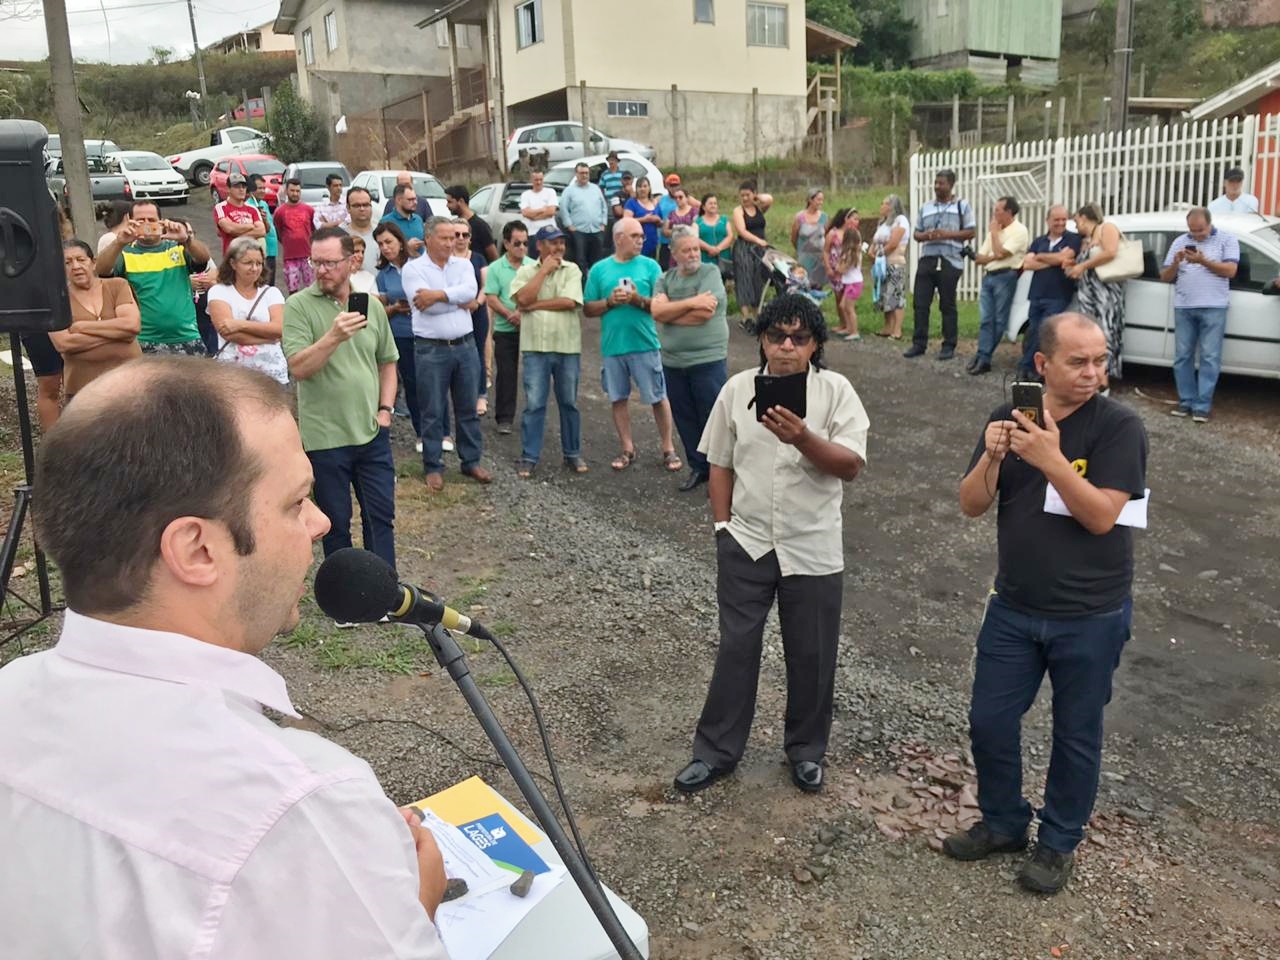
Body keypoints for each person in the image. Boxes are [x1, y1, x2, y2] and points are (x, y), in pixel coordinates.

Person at [3, 359, 449, 957]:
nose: (321, 523)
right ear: (197, 548)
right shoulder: (299, 804)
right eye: (296, 502)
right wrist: (409, 912)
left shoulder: (10, 694)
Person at [951, 312, 1147, 895]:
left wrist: (1049, 458)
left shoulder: (1119, 427)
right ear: (1041, 365)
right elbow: (970, 505)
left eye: (1100, 360)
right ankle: (1005, 822)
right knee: (989, 720)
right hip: (1013, 605)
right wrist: (992, 457)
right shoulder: (1007, 418)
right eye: (1078, 361)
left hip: (1090, 614)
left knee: (1076, 732)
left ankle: (1058, 842)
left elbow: (1100, 516)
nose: (1093, 373)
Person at [673, 293, 869, 796]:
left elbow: (849, 465)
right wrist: (722, 530)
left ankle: (806, 751)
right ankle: (716, 752)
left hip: (813, 546)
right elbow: (719, 462)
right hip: (748, 541)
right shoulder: (738, 389)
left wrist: (803, 437)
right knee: (737, 649)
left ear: (815, 345)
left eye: (799, 338)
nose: (786, 346)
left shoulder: (837, 392)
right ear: (761, 339)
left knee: (813, 653)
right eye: (776, 335)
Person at [282, 227, 399, 571]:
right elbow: (300, 367)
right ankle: (345, 601)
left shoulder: (371, 308)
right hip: (325, 437)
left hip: (371, 433)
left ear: (352, 261)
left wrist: (386, 411)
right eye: (315, 262)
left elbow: (387, 362)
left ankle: (383, 592)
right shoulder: (298, 306)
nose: (321, 271)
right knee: (335, 523)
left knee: (380, 517)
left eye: (330, 263)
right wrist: (333, 337)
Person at [584, 218, 680, 473]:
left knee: (658, 397)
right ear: (618, 238)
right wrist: (609, 302)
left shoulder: (650, 266)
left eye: (642, 236)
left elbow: (662, 305)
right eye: (635, 236)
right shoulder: (599, 270)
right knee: (618, 398)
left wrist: (638, 299)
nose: (641, 240)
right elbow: (587, 308)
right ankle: (627, 447)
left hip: (645, 343)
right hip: (613, 346)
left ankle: (668, 448)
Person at [402, 216, 490, 491]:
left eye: (454, 237)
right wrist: (456, 301)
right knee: (432, 409)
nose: (451, 243)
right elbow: (425, 306)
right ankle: (433, 464)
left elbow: (470, 293)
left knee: (467, 407)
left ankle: (471, 460)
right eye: (445, 238)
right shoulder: (413, 268)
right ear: (428, 238)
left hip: (464, 346)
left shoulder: (464, 265)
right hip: (431, 349)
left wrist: (438, 295)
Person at [651, 225, 729, 492]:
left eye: (696, 248)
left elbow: (705, 313)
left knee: (713, 418)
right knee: (685, 418)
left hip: (707, 359)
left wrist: (670, 313)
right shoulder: (665, 279)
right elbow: (656, 312)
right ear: (674, 253)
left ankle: (721, 474)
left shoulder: (710, 273)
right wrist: (689, 303)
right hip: (673, 362)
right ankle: (699, 468)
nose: (694, 254)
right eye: (687, 250)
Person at [509, 225, 587, 478]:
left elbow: (569, 302)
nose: (559, 248)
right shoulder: (526, 271)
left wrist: (536, 304)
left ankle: (572, 453)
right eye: (553, 243)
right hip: (535, 348)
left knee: (569, 403)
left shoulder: (572, 270)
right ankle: (529, 456)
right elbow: (521, 300)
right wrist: (542, 272)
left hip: (567, 347)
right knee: (534, 404)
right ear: (539, 245)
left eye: (561, 243)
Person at [97, 201, 211, 356]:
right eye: (140, 220)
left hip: (187, 337)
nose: (146, 224)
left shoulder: (178, 247)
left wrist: (186, 239)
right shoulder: (125, 253)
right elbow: (102, 271)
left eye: (151, 220)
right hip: (145, 340)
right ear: (130, 222)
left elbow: (203, 258)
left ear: (161, 221)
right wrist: (119, 241)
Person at [1159, 207, 1239, 423]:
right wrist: (1176, 263)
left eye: (1200, 230)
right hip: (1184, 307)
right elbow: (1165, 277)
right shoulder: (1179, 241)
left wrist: (1203, 261)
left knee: (1210, 357)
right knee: (1182, 357)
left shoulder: (1227, 239)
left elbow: (1230, 271)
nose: (1196, 235)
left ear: (1210, 223)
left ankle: (1202, 406)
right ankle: (1186, 402)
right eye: (1192, 230)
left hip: (1214, 306)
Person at [49, 238, 141, 405]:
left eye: (81, 259)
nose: (76, 266)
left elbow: (132, 325)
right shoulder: (56, 300)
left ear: (93, 262)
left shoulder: (117, 286)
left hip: (130, 383)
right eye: (68, 262)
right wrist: (119, 334)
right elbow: (64, 343)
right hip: (82, 389)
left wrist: (83, 327)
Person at [904, 168, 975, 361]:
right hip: (928, 259)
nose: (937, 186)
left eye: (941, 183)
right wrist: (927, 235)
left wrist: (947, 234)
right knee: (920, 303)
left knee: (947, 304)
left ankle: (949, 345)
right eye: (935, 183)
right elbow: (916, 233)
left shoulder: (962, 206)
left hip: (950, 260)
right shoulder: (926, 207)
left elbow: (970, 232)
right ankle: (919, 343)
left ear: (951, 185)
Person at [207, 236, 288, 385]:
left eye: (259, 263)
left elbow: (280, 328)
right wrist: (269, 338)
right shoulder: (218, 292)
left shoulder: (272, 293)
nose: (255, 268)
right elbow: (228, 333)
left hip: (273, 373)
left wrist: (239, 325)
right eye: (248, 263)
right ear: (233, 263)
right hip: (235, 375)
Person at [1019, 206, 1083, 379]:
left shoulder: (1073, 239)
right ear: (1048, 220)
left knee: (1045, 331)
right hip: (1037, 293)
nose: (1061, 223)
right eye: (1057, 219)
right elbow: (1027, 264)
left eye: (1064, 219)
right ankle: (1031, 368)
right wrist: (1055, 258)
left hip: (1058, 294)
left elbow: (1065, 258)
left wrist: (1040, 256)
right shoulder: (1039, 240)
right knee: (1033, 331)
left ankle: (1028, 369)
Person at [970, 196, 1031, 375]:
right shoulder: (994, 231)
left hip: (1006, 276)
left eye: (998, 210)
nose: (994, 213)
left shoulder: (1019, 231)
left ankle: (984, 357)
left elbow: (1000, 252)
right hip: (989, 275)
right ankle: (982, 355)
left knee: (998, 320)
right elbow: (979, 258)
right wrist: (994, 255)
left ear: (1009, 212)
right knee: (985, 319)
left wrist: (995, 236)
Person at [374, 221, 422, 448]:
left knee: (432, 384)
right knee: (411, 383)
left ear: (400, 242)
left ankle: (441, 432)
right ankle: (421, 432)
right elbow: (379, 310)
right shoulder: (383, 274)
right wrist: (393, 308)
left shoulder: (420, 264)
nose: (385, 247)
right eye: (380, 244)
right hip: (400, 333)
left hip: (425, 331)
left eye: (389, 242)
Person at [1068, 203, 1126, 386]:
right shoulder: (1087, 239)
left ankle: (1103, 381)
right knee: (1090, 336)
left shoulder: (1106, 228)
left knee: (1105, 335)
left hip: (1104, 295)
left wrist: (1082, 266)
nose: (1076, 225)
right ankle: (1094, 378)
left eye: (1076, 220)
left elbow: (1110, 251)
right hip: (1089, 296)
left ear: (1084, 217)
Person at [484, 220, 534, 437]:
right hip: (506, 328)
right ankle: (504, 417)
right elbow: (491, 297)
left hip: (531, 326)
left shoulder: (534, 266)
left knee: (534, 373)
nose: (522, 248)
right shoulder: (495, 268)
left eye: (525, 243)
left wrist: (523, 313)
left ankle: (533, 415)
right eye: (517, 243)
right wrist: (509, 314)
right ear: (505, 243)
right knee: (506, 373)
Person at [453, 219, 492, 418]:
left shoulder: (478, 259)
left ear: (470, 238)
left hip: (476, 311)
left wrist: (477, 303)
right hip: (453, 313)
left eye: (464, 235)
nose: (460, 238)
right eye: (456, 234)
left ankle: (481, 394)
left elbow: (486, 284)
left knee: (477, 352)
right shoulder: (446, 259)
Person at [731, 180, 774, 330]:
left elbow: (769, 199)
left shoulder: (759, 208)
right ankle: (745, 316)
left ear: (754, 194)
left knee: (758, 279)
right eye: (742, 195)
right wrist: (758, 241)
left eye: (747, 195)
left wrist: (757, 198)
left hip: (760, 249)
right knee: (744, 279)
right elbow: (742, 231)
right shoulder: (738, 211)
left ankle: (757, 314)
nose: (744, 198)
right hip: (744, 248)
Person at [870, 194, 910, 340]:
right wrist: (872, 251)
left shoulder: (901, 221)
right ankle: (887, 326)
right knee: (884, 294)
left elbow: (893, 243)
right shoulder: (883, 223)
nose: (882, 206)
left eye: (885, 203)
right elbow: (876, 240)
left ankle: (897, 329)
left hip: (894, 262)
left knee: (896, 295)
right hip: (881, 263)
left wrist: (880, 252)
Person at [560, 162, 608, 272]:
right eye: (581, 173)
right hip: (579, 231)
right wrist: (569, 225)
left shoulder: (595, 189)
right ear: (576, 174)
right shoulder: (569, 191)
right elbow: (563, 208)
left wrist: (603, 223)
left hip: (596, 230)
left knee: (597, 261)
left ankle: (594, 284)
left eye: (586, 173)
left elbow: (603, 206)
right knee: (580, 261)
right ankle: (582, 285)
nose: (584, 175)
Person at [274, 178, 317, 294]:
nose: (295, 193)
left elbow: (313, 229)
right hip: (290, 257)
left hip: (307, 255)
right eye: (292, 190)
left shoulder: (309, 210)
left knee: (312, 287)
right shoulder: (279, 212)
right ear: (287, 191)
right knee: (292, 289)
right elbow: (278, 231)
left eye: (298, 191)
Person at [828, 209, 863, 342]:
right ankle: (849, 327)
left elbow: (843, 268)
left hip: (854, 283)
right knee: (843, 305)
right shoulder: (848, 252)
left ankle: (854, 331)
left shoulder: (851, 253)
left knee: (849, 307)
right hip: (850, 282)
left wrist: (837, 268)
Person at [213, 173, 266, 256]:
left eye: (244, 187)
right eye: (237, 187)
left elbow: (261, 231)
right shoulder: (221, 207)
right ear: (228, 189)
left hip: (252, 256)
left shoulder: (253, 209)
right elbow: (229, 228)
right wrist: (250, 226)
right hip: (233, 256)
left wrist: (236, 237)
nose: (241, 189)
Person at [445, 184, 498, 262]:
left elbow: (494, 256)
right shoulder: (453, 225)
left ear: (461, 201)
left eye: (450, 202)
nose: (447, 205)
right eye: (457, 234)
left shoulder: (481, 226)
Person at [655, 173, 697, 270]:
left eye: (676, 185)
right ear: (666, 186)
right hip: (666, 241)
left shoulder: (686, 198)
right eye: (671, 185)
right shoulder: (661, 199)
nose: (674, 188)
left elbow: (701, 206)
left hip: (685, 243)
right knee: (666, 268)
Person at [790, 189, 828, 289]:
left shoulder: (824, 217)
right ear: (810, 200)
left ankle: (817, 304)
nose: (821, 202)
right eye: (818, 200)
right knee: (803, 283)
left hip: (819, 257)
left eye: (822, 200)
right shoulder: (800, 217)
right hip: (804, 257)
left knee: (818, 285)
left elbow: (827, 236)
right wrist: (800, 251)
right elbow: (794, 237)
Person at [248, 174, 278, 287]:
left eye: (263, 188)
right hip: (261, 252)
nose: (262, 191)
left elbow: (270, 226)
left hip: (272, 250)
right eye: (259, 188)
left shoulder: (263, 204)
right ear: (251, 189)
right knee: (262, 284)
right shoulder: (249, 206)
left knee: (270, 284)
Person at [343, 185, 379, 281]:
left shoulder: (382, 233)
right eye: (357, 205)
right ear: (348, 208)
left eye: (366, 205)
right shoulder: (339, 235)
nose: (362, 209)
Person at [519, 170, 558, 255]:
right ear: (531, 180)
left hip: (550, 233)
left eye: (541, 179)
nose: (539, 182)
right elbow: (525, 213)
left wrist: (533, 216)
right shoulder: (526, 195)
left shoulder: (550, 192)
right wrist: (542, 210)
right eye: (536, 180)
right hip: (533, 233)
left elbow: (551, 211)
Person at [697, 193, 735, 280]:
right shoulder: (697, 222)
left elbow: (730, 236)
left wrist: (718, 249)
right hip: (705, 258)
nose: (713, 205)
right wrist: (709, 249)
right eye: (710, 203)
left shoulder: (724, 219)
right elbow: (695, 238)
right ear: (703, 207)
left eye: (715, 203)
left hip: (723, 257)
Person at [623, 176, 663, 259]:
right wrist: (644, 219)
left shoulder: (654, 203)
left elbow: (661, 223)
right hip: (636, 243)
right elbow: (626, 221)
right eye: (640, 187)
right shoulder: (631, 203)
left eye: (645, 186)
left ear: (649, 188)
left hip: (652, 243)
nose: (642, 189)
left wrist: (658, 221)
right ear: (636, 189)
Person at [382, 183, 426, 254]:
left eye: (415, 199)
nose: (415, 202)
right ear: (398, 200)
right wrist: (407, 247)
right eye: (410, 200)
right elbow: (383, 251)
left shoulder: (418, 219)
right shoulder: (386, 222)